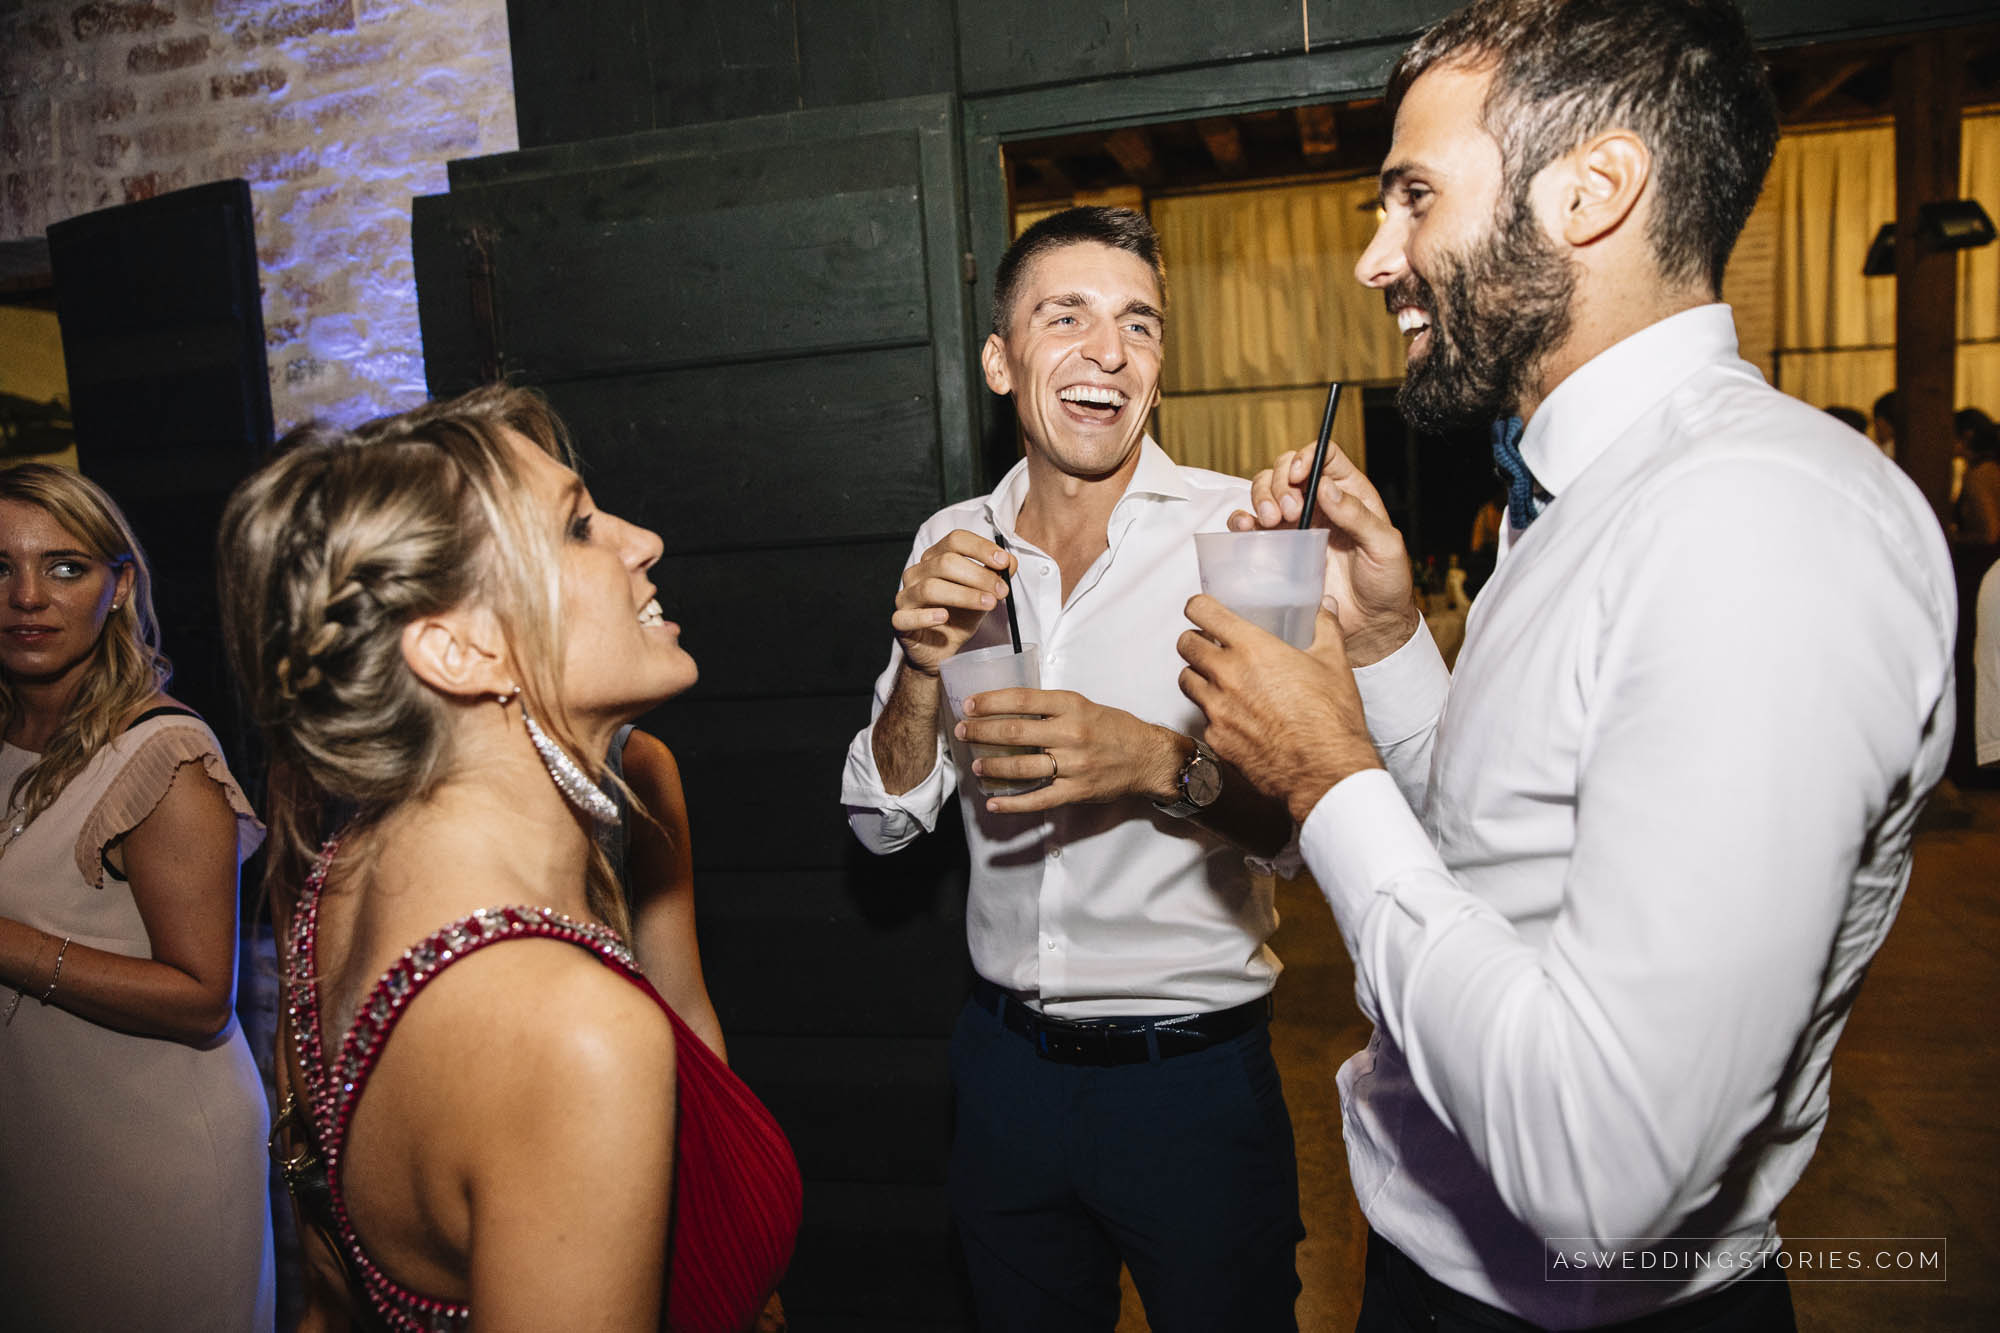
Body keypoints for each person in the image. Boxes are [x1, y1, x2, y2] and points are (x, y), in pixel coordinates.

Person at [1175, 2, 1955, 1329]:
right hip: (1437, 1273)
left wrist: (1322, 771)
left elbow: (1605, 1170)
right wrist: (1387, 647)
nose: (1378, 257)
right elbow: (1506, 847)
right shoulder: (1587, 490)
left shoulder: (1758, 522)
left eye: (1412, 196)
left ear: (1592, 191)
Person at [219, 385, 800, 1331]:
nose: (641, 540)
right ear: (461, 649)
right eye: (577, 528)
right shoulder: (573, 1031)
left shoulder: (340, 878)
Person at [842, 206, 1303, 1332]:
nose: (1107, 350)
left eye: (1137, 324)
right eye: (1067, 317)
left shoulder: (1233, 533)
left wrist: (1154, 759)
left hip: (1191, 1083)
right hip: (1003, 1076)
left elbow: (1298, 825)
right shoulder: (949, 538)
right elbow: (883, 824)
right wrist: (916, 670)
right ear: (1001, 362)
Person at [0, 463, 275, 1331]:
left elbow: (202, 998)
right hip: (43, 1151)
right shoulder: (9, 735)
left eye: (66, 566)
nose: (27, 596)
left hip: (155, 1154)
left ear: (119, 588)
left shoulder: (162, 755)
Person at [1952, 407, 2000, 545]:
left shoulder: (1980, 474)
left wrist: (1954, 539)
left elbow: (1990, 534)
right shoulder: (1987, 468)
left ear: (1967, 436)